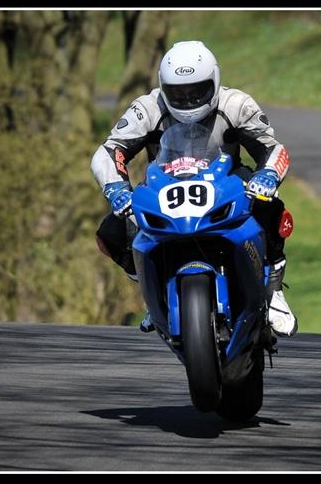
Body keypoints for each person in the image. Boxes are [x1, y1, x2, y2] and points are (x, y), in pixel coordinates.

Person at [90, 40, 297, 337]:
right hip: (164, 187)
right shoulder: (147, 108)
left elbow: (272, 149)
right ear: (164, 87)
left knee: (270, 205)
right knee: (111, 232)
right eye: (178, 92)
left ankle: (274, 289)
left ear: (214, 81)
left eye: (196, 90)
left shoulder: (236, 104)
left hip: (227, 182)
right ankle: (152, 292)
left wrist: (266, 176)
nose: (187, 99)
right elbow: (109, 152)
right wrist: (116, 189)